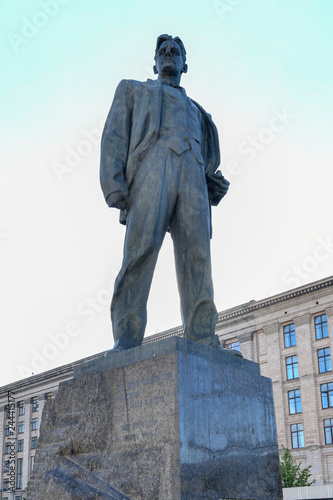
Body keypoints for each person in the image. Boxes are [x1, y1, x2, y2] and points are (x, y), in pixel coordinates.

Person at [100, 34, 241, 356]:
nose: (168, 55)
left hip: (192, 173)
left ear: (184, 64)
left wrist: (212, 184)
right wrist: (114, 183)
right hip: (152, 165)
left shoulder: (200, 113)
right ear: (154, 61)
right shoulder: (134, 90)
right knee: (141, 250)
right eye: (162, 51)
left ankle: (203, 336)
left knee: (198, 256)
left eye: (175, 52)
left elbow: (208, 160)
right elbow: (114, 136)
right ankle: (127, 337)